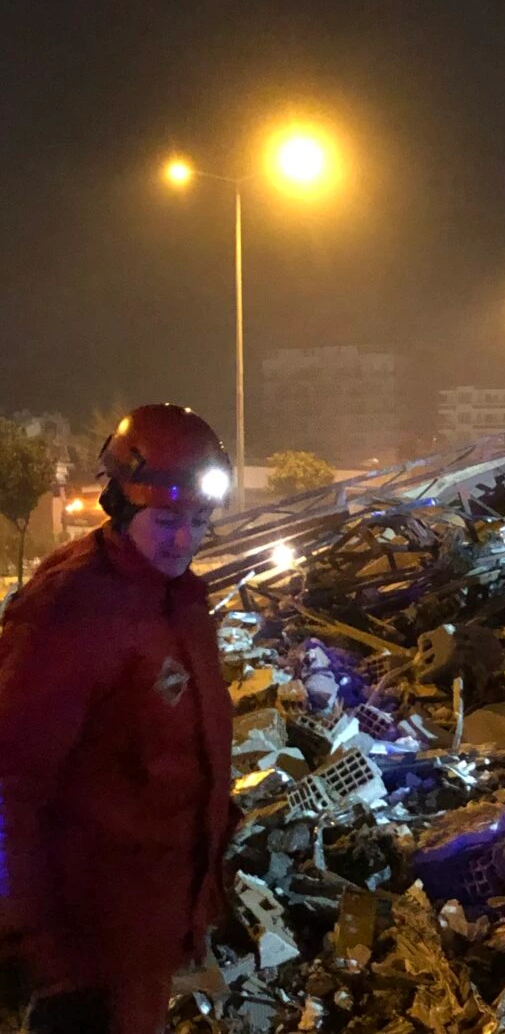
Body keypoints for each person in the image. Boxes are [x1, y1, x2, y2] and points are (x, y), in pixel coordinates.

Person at [0, 404, 238, 1034]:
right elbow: (8, 778)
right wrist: (19, 937)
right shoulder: (70, 607)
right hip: (80, 958)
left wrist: (208, 890)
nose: (184, 540)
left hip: (149, 938)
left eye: (200, 521)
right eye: (166, 521)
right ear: (120, 506)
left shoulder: (181, 603)